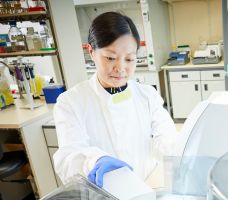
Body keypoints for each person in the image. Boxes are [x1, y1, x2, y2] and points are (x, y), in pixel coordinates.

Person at [53, 12, 178, 188]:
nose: (120, 68)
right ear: (91, 52)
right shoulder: (71, 102)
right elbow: (68, 158)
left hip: (146, 186)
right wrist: (95, 161)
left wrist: (177, 147)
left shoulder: (147, 95)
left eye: (129, 59)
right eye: (110, 58)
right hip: (102, 192)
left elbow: (165, 135)